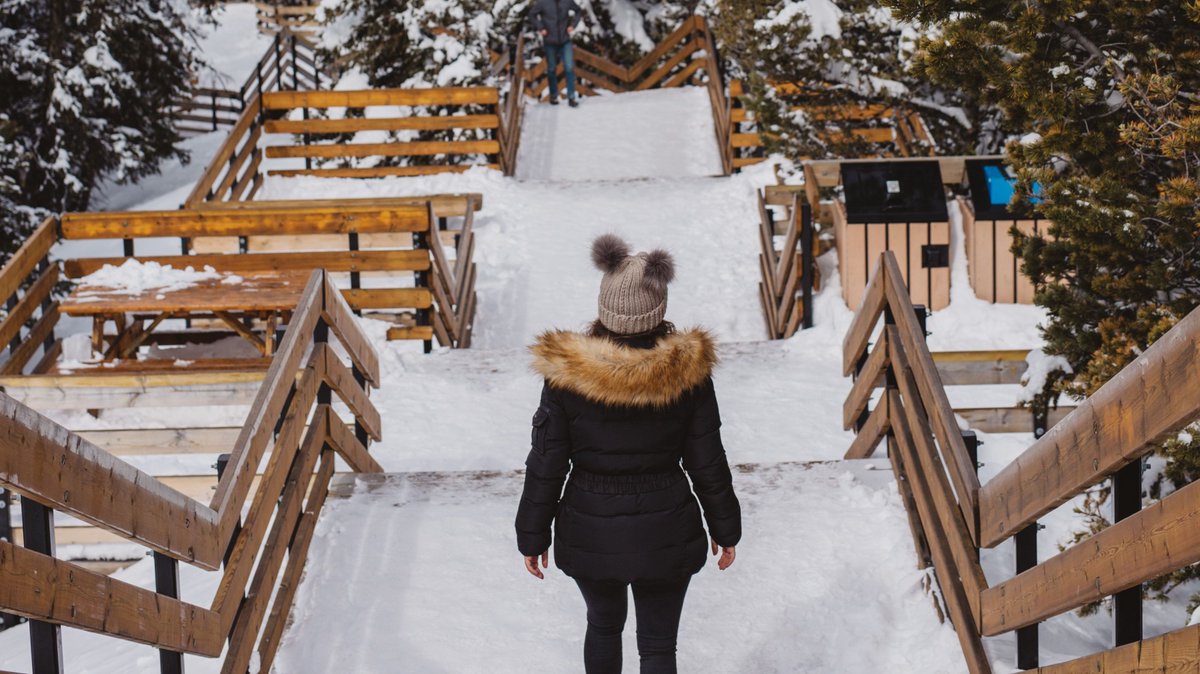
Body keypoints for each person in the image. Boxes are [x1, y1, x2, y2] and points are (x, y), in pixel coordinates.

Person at [515, 234, 742, 674]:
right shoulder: (688, 375)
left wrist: (532, 533)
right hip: (667, 525)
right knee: (659, 645)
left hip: (589, 526)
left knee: (602, 626)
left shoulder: (566, 377)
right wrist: (725, 526)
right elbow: (707, 459)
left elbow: (546, 463)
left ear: (604, 309)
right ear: (659, 312)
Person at [530, 0, 583, 107]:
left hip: (565, 41)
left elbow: (578, 11)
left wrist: (573, 25)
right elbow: (531, 15)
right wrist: (541, 28)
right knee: (551, 69)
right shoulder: (543, 2)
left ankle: (571, 97)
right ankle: (553, 96)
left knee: (569, 68)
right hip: (550, 42)